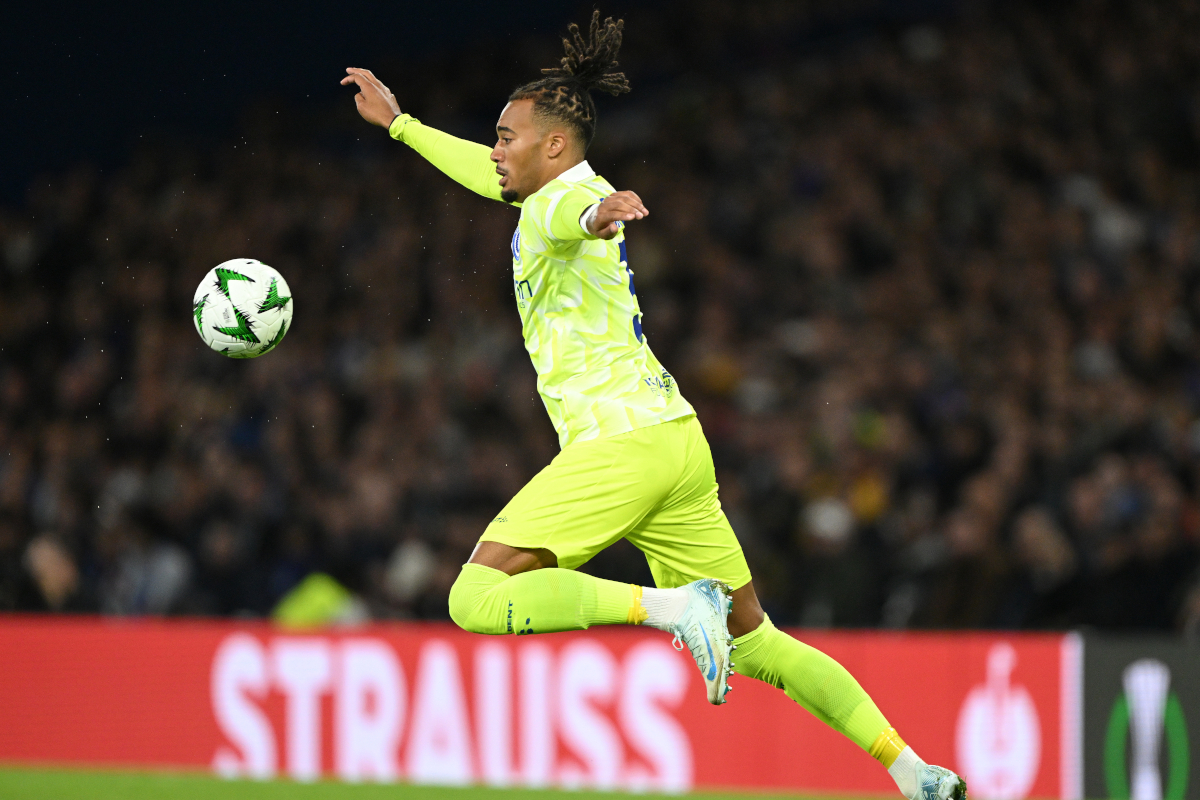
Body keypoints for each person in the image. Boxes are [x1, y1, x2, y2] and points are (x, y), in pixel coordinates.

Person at [341, 13, 966, 800]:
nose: (495, 149)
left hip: (618, 448)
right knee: (757, 642)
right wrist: (400, 125)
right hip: (674, 442)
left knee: (474, 597)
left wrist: (600, 217)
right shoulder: (558, 186)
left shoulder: (560, 206)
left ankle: (668, 607)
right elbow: (505, 181)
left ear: (555, 147)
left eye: (507, 136)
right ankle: (914, 773)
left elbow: (573, 217)